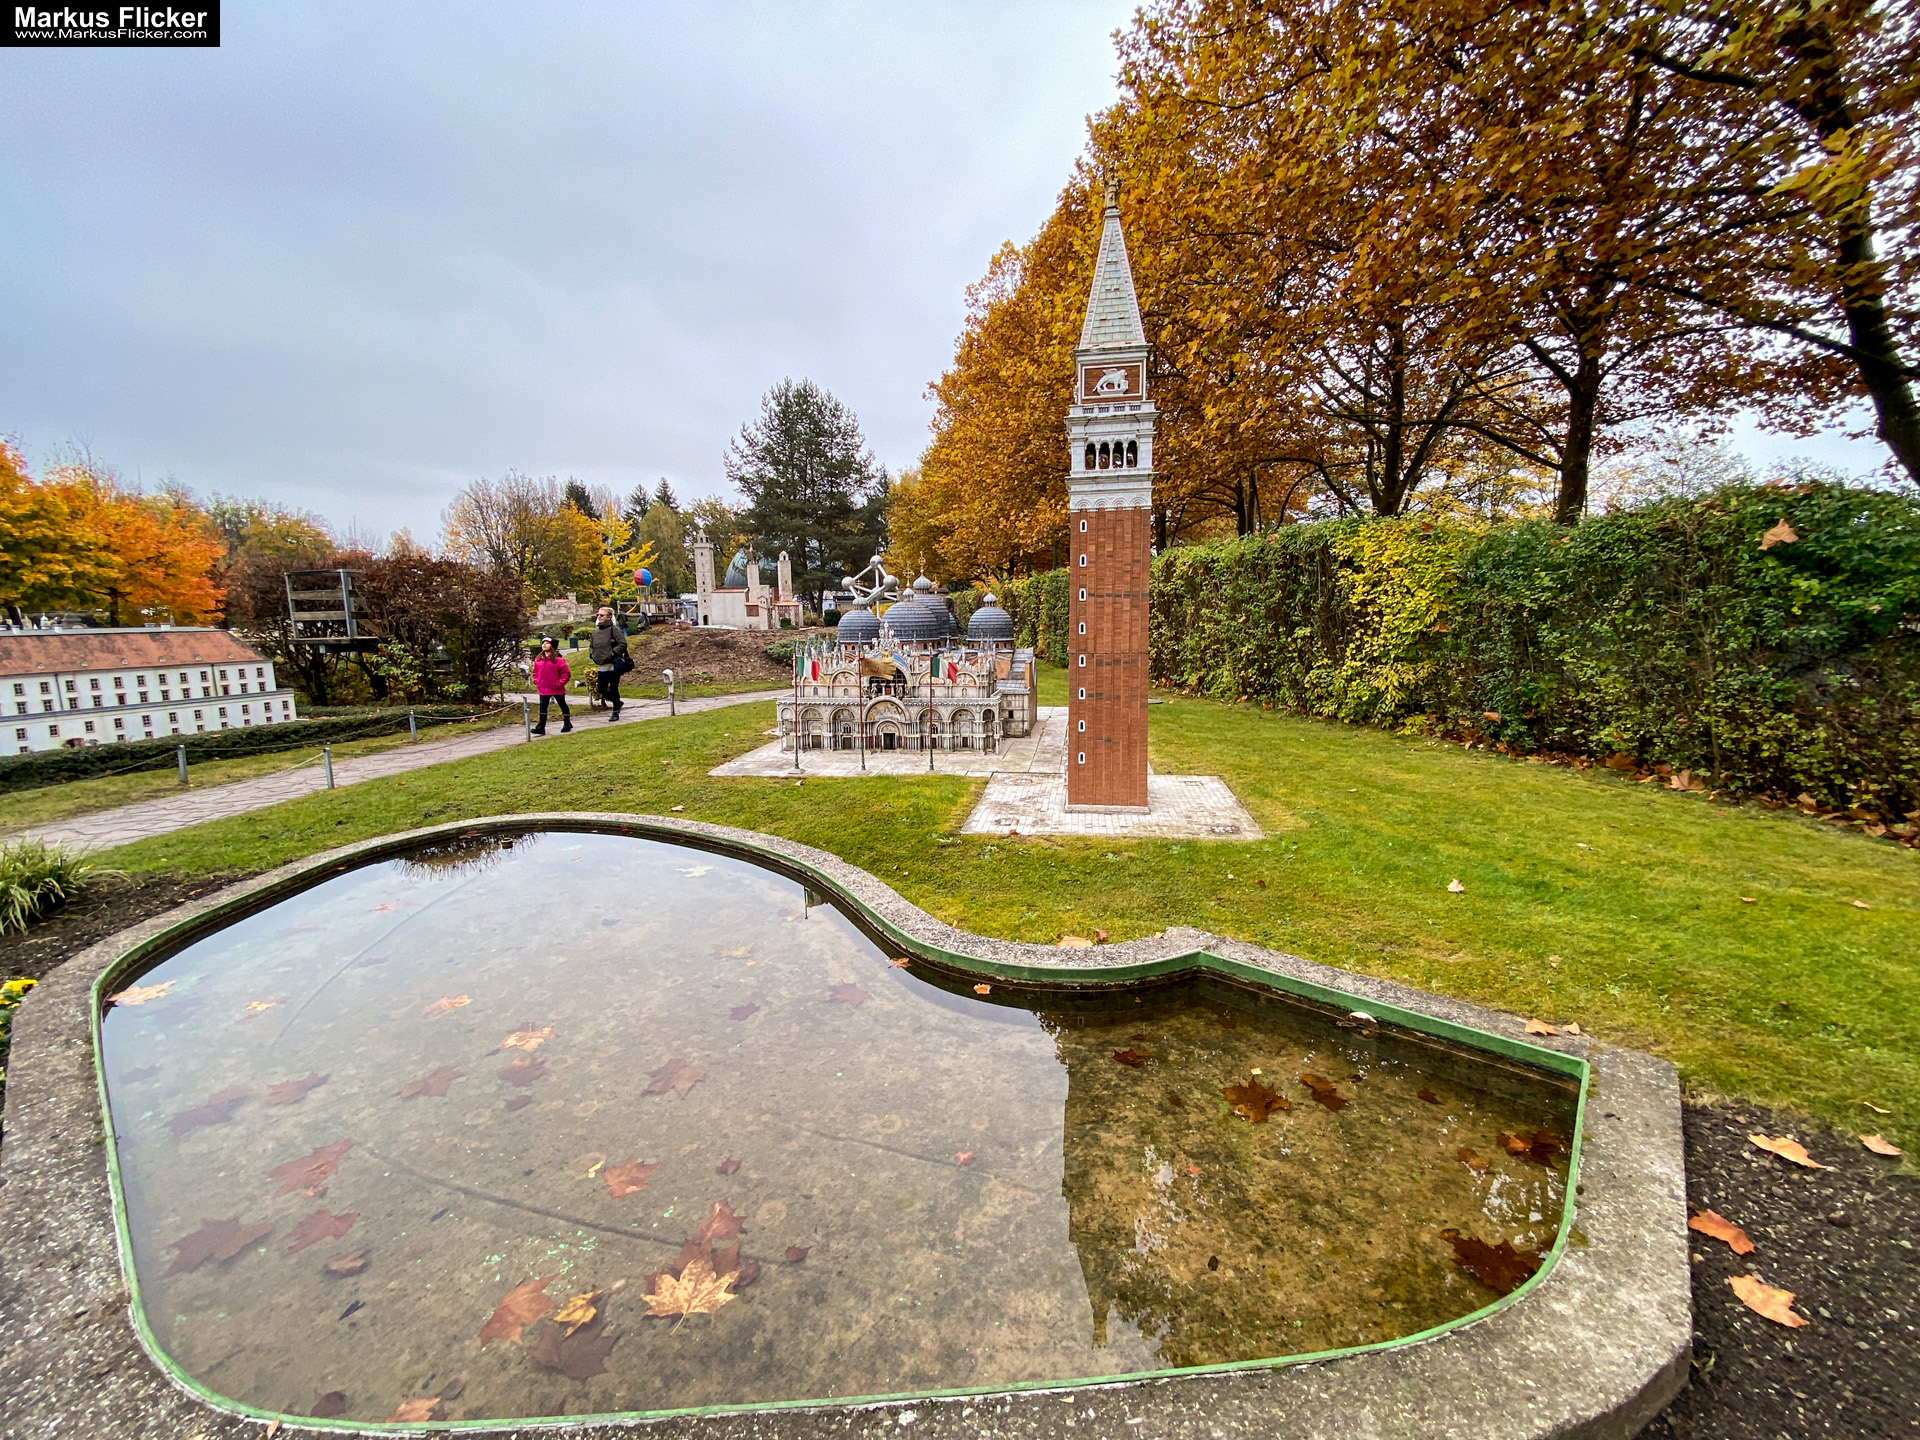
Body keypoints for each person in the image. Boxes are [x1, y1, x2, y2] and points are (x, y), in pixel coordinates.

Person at [588, 605, 629, 721]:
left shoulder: (614, 629)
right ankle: (617, 702)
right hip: (601, 665)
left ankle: (615, 712)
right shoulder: (595, 632)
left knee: (614, 689)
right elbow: (591, 646)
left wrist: (612, 654)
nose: (599, 617)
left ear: (609, 617)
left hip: (613, 665)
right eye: (598, 615)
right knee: (602, 689)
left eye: (601, 615)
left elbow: (622, 644)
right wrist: (592, 654)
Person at [529, 635, 573, 735]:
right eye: (543, 642)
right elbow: (535, 672)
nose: (544, 644)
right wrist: (536, 681)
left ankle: (567, 723)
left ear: (552, 646)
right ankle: (541, 727)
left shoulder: (559, 660)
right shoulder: (538, 660)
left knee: (562, 705)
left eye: (547, 643)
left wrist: (560, 683)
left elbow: (566, 673)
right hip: (543, 688)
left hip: (556, 687)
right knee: (543, 708)